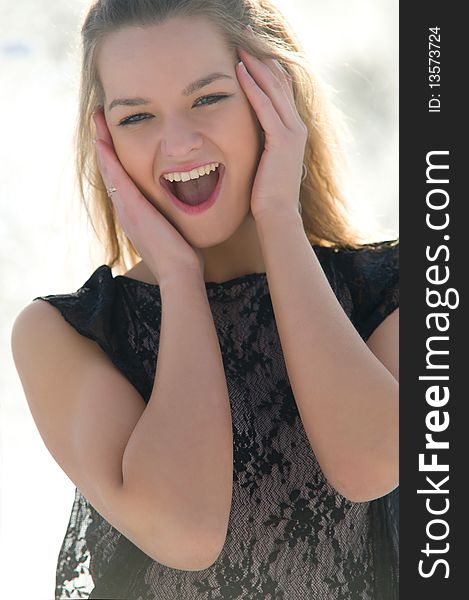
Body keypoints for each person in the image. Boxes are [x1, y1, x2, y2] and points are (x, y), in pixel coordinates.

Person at [11, 1, 399, 598]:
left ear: (273, 97)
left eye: (208, 98)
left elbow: (372, 463)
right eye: (137, 116)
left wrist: (279, 216)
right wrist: (178, 279)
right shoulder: (59, 335)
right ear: (104, 138)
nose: (178, 142)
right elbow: (186, 531)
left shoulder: (400, 288)